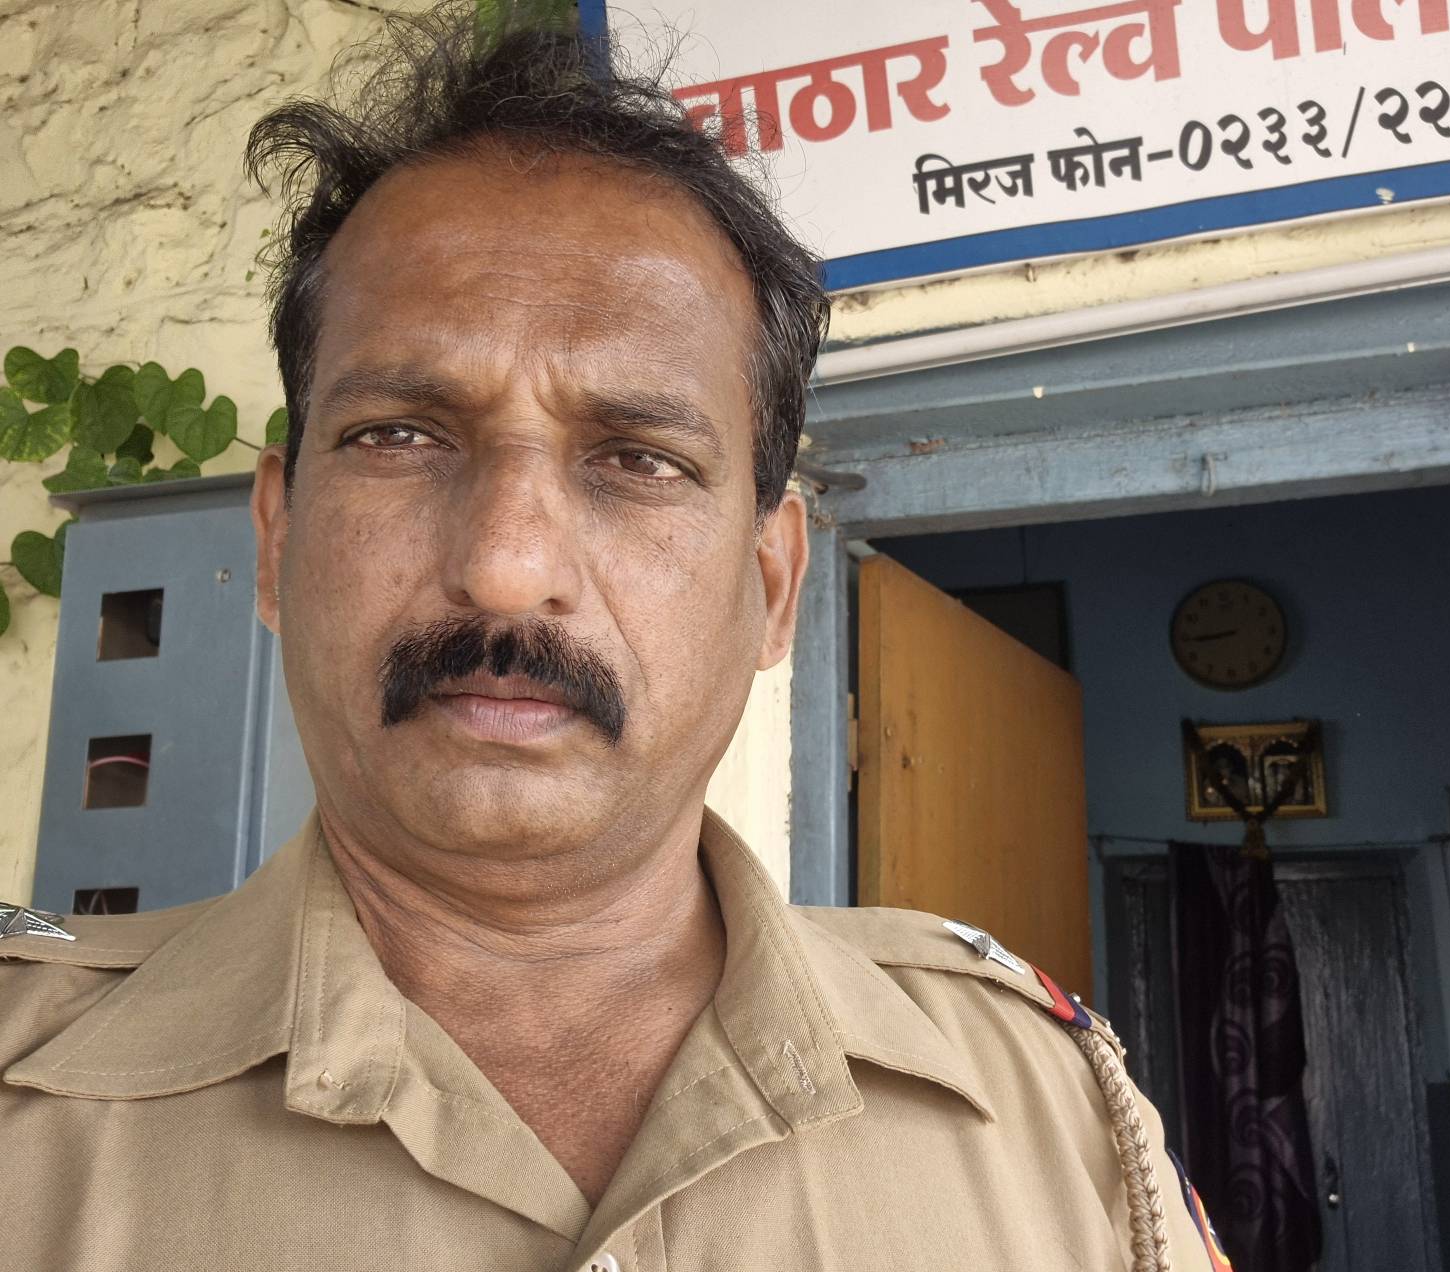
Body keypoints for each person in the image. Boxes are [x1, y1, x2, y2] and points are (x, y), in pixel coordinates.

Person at [0, 6, 1225, 1269]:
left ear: (771, 586)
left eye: (637, 458)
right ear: (275, 539)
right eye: (400, 436)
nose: (506, 565)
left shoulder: (1053, 1116)